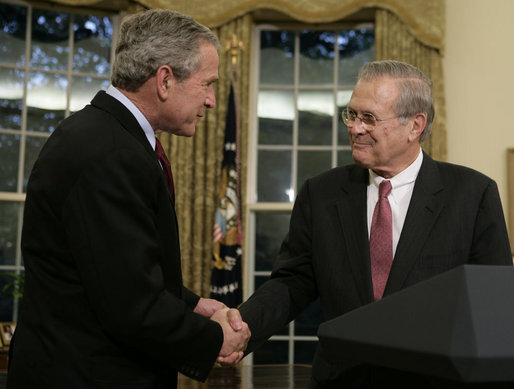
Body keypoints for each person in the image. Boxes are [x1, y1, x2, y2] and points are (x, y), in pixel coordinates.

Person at [7, 9, 250, 389]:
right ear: (165, 80)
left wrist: (192, 305)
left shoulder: (107, 136)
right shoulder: (109, 152)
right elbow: (130, 307)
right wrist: (217, 340)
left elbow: (115, 270)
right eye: (207, 84)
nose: (212, 102)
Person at [236, 60, 513, 388]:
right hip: (342, 380)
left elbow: (493, 310)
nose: (355, 128)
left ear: (415, 126)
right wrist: (242, 327)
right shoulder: (321, 194)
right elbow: (292, 282)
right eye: (351, 115)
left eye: (369, 118)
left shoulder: (472, 195)